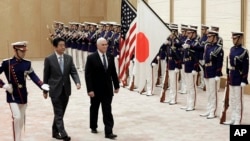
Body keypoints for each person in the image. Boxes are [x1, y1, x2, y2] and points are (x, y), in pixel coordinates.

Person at [0, 41, 49, 141]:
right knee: (17, 117)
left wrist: (42, 85)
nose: (24, 53)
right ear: (15, 50)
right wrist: (4, 85)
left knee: (21, 121)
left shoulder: (27, 63)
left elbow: (33, 76)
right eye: (21, 51)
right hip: (12, 93)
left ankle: (18, 139)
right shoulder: (7, 63)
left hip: (23, 94)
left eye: (24, 51)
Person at [43, 37, 81, 141]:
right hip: (54, 90)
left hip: (66, 90)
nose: (63, 47)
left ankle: (55, 132)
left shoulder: (69, 58)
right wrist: (45, 91)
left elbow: (73, 71)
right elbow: (46, 76)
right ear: (55, 47)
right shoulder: (49, 59)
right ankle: (63, 134)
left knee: (60, 112)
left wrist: (77, 82)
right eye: (60, 45)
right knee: (59, 112)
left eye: (64, 45)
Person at [85, 37, 120, 139]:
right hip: (95, 90)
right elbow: (88, 75)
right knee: (94, 108)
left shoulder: (110, 56)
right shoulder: (91, 58)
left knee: (107, 110)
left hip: (107, 89)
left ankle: (109, 132)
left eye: (106, 44)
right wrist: (90, 89)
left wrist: (116, 85)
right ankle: (93, 126)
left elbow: (113, 72)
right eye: (103, 45)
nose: (105, 46)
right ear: (97, 46)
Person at [223, 32, 249, 125]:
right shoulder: (232, 49)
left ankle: (238, 119)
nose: (233, 40)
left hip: (239, 77)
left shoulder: (244, 50)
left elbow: (246, 66)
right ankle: (233, 118)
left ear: (240, 38)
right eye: (233, 38)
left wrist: (244, 79)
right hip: (232, 75)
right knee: (232, 99)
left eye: (235, 38)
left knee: (238, 99)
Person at [199, 30, 224, 119]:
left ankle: (212, 111)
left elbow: (219, 62)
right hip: (207, 71)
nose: (208, 38)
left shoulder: (219, 48)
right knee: (208, 93)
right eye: (208, 36)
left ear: (215, 37)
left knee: (213, 94)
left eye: (210, 37)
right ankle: (208, 109)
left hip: (213, 72)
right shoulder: (207, 46)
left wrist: (218, 74)